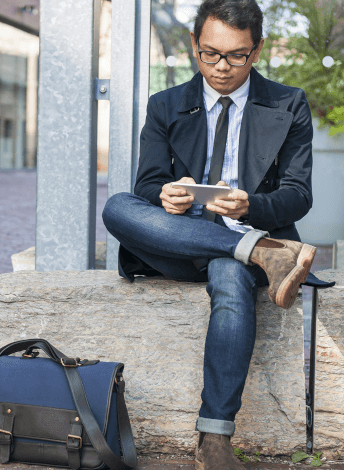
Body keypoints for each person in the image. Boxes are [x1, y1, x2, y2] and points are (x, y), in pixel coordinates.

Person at [102, 0, 318, 468]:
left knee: (229, 274)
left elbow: (299, 195)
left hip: (241, 239)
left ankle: (214, 439)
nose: (221, 67)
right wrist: (169, 196)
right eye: (210, 54)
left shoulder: (288, 103)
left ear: (257, 51)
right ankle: (262, 252)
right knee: (118, 206)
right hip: (181, 238)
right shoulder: (166, 105)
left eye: (236, 55)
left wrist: (251, 205)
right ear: (194, 48)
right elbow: (146, 185)